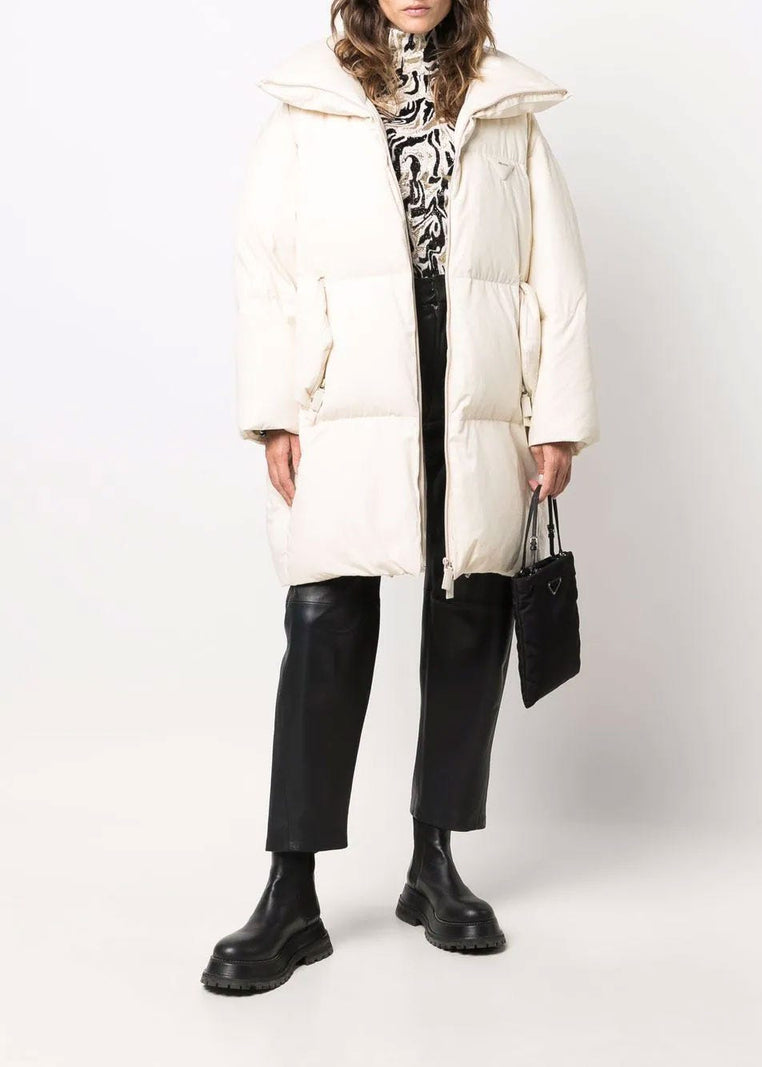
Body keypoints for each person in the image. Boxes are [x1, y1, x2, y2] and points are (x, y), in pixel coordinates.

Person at [201, 0, 599, 994]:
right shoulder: (310, 103)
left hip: (476, 379)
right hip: (348, 383)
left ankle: (435, 861)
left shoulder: (504, 105)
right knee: (325, 614)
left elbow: (555, 274)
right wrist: (274, 412)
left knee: (471, 608)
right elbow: (265, 272)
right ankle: (290, 892)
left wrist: (555, 417)